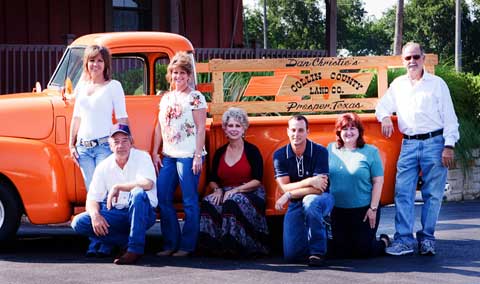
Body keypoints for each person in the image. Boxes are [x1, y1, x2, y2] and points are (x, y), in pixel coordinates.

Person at [375, 42, 460, 256]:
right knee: (403, 192)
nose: (412, 61)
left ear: (423, 58)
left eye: (415, 56)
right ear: (403, 61)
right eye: (407, 58)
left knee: (433, 194)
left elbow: (450, 117)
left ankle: (427, 239)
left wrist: (449, 145)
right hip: (409, 144)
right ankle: (404, 240)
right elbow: (382, 107)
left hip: (435, 143)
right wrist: (385, 117)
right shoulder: (398, 85)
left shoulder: (437, 84)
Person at [69, 44, 129, 257]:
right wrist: (71, 143)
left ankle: (103, 243)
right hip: (83, 148)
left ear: (106, 64)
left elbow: (122, 117)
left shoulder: (114, 86)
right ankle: (98, 239)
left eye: (100, 61)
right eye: (92, 60)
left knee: (106, 195)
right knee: (92, 195)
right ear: (86, 63)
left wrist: (123, 144)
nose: (95, 64)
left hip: (105, 146)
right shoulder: (82, 86)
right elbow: (77, 117)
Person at [71, 123, 157, 265]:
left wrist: (118, 187)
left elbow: (148, 184)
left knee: (137, 194)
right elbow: (92, 199)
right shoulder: (103, 166)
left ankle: (134, 250)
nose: (120, 145)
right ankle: (128, 242)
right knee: (79, 223)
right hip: (117, 214)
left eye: (124, 141)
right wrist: (96, 216)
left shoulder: (143, 157)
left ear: (131, 142)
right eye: (116, 142)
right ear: (110, 146)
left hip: (142, 212)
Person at [153, 51, 207, 257]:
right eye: (175, 73)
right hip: (168, 155)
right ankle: (170, 243)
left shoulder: (195, 97)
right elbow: (159, 126)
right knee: (163, 197)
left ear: (189, 75)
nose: (178, 77)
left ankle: (187, 245)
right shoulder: (166, 97)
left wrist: (197, 156)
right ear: (170, 75)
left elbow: (201, 128)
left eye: (182, 73)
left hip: (188, 156)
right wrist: (155, 151)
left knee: (189, 200)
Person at [198, 107, 269, 257]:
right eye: (230, 125)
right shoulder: (220, 153)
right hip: (225, 191)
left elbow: (257, 180)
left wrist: (236, 190)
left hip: (250, 191)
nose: (234, 129)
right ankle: (213, 247)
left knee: (232, 201)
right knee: (207, 201)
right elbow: (212, 179)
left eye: (238, 126)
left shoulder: (252, 151)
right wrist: (217, 190)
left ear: (244, 129)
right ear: (225, 128)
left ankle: (238, 246)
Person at [273, 115, 334, 266]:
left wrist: (288, 194)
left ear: (308, 131)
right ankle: (321, 231)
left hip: (321, 199)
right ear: (287, 131)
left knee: (310, 201)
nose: (296, 134)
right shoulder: (280, 155)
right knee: (292, 256)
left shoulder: (320, 151)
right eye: (293, 130)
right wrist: (310, 181)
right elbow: (284, 187)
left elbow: (319, 189)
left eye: (301, 130)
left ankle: (317, 252)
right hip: (295, 203)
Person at [327, 113, 390, 259]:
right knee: (340, 253)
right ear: (338, 132)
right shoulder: (330, 149)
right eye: (344, 129)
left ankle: (384, 241)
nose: (348, 132)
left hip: (364, 210)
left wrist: (373, 208)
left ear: (359, 131)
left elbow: (378, 181)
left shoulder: (371, 152)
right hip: (339, 210)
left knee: (363, 252)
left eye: (352, 128)